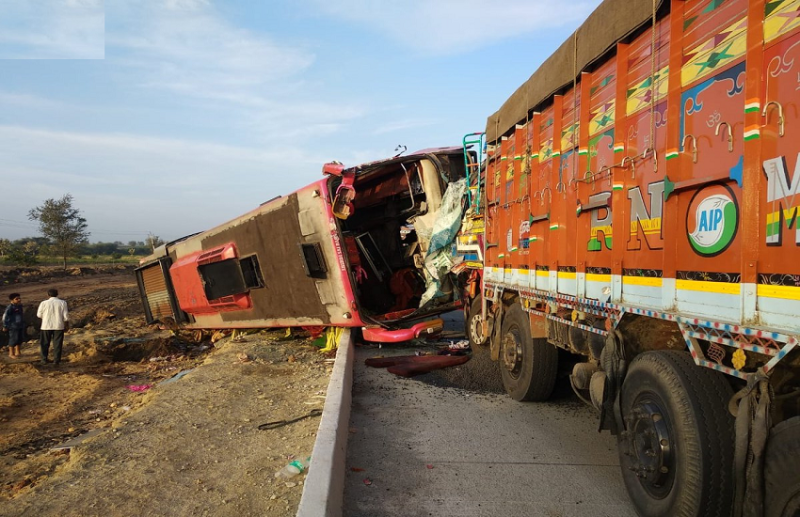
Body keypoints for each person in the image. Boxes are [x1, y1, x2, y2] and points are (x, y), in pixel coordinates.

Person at [37, 288, 69, 366]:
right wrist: (66, 325)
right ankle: (56, 360)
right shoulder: (63, 302)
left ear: (48, 295)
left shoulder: (43, 303)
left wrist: (45, 318)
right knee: (57, 344)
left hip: (46, 326)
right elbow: (66, 316)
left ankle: (44, 359)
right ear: (57, 294)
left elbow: (39, 315)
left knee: (44, 343)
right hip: (58, 325)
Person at [2, 293, 25, 358]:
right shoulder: (10, 308)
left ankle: (18, 352)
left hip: (20, 325)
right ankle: (11, 353)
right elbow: (5, 317)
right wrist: (5, 326)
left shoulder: (19, 306)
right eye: (16, 299)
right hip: (13, 326)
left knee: (19, 339)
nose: (19, 300)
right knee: (13, 339)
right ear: (12, 300)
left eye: (19, 298)